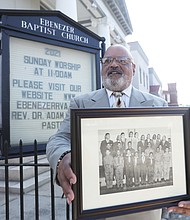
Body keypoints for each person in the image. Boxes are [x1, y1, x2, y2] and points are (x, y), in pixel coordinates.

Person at [46, 44, 187, 219]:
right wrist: (63, 157)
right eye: (107, 61)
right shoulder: (81, 103)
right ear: (102, 68)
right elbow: (59, 139)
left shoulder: (157, 105)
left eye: (122, 61)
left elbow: (177, 151)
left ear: (134, 68)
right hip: (94, 206)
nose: (113, 64)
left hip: (144, 209)